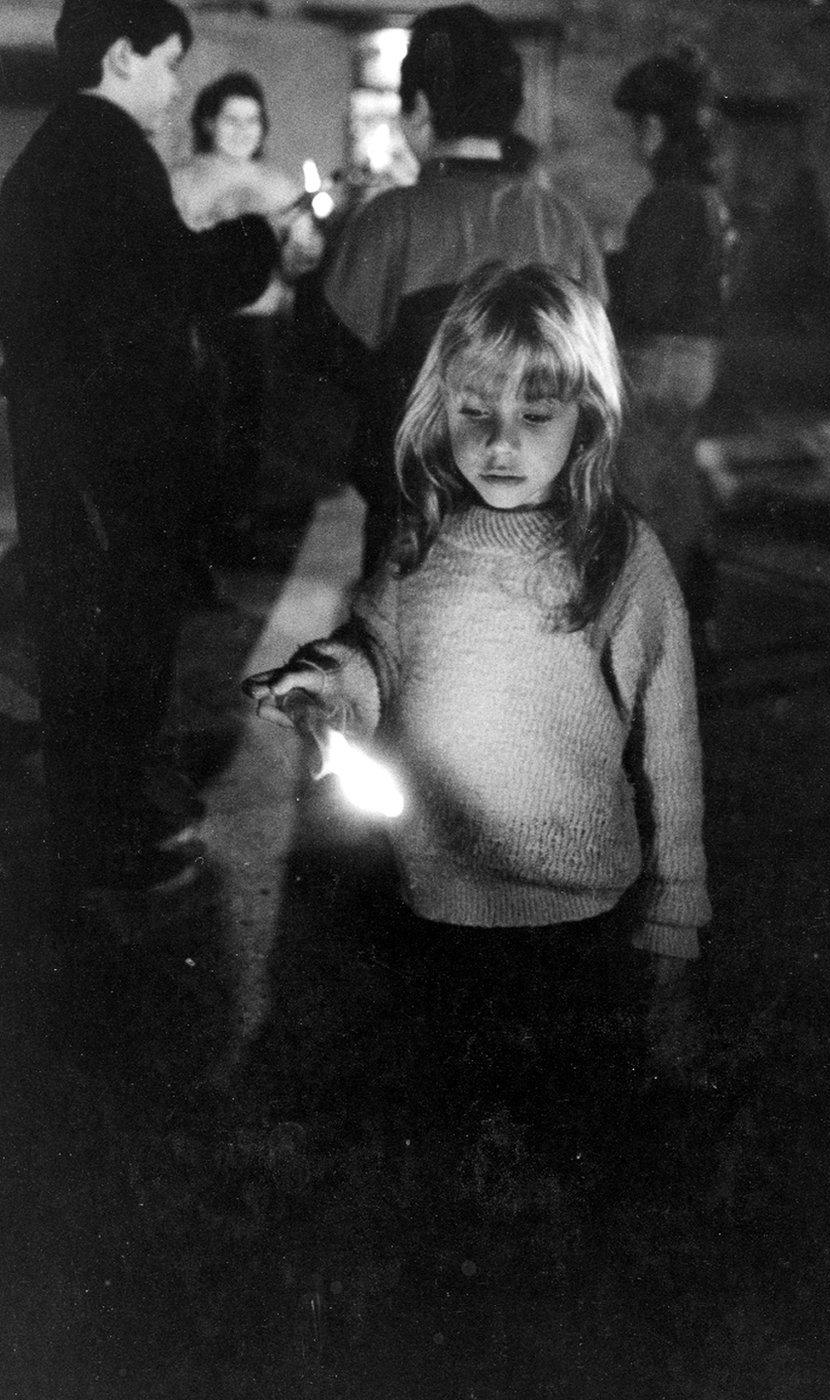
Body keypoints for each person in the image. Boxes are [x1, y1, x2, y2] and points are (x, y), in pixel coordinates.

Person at [245, 265, 711, 1082]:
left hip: (580, 916)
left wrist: (677, 905)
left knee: (568, 1116)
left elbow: (671, 745)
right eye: (474, 412)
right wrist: (330, 681)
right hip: (434, 901)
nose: (501, 444)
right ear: (440, 409)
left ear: (588, 418)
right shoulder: (420, 541)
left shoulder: (621, 559)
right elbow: (379, 657)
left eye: (535, 415)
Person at [0, 0, 279, 910]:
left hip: (70, 447)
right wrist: (257, 242)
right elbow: (174, 280)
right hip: (105, 459)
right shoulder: (106, 151)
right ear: (121, 56)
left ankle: (112, 833)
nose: (173, 87)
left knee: (91, 653)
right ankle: (109, 854)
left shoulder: (59, 149)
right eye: (167, 64)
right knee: (109, 657)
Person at [308, 3, 607, 577]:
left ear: (418, 110)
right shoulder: (563, 221)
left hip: (412, 518)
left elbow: (334, 359)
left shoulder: (388, 220)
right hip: (538, 522)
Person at [608, 46, 735, 657]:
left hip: (656, 358)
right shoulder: (709, 197)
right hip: (699, 360)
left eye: (637, 126)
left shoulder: (665, 202)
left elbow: (645, 299)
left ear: (654, 129)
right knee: (680, 488)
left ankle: (644, 635)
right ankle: (696, 618)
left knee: (633, 492)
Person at [171, 71, 324, 563]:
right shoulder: (182, 179)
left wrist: (304, 248)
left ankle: (240, 528)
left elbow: (299, 258)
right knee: (200, 431)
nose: (243, 129)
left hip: (262, 326)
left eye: (253, 119)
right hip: (202, 325)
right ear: (208, 122)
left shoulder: (277, 183)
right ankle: (197, 535)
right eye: (231, 119)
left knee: (252, 431)